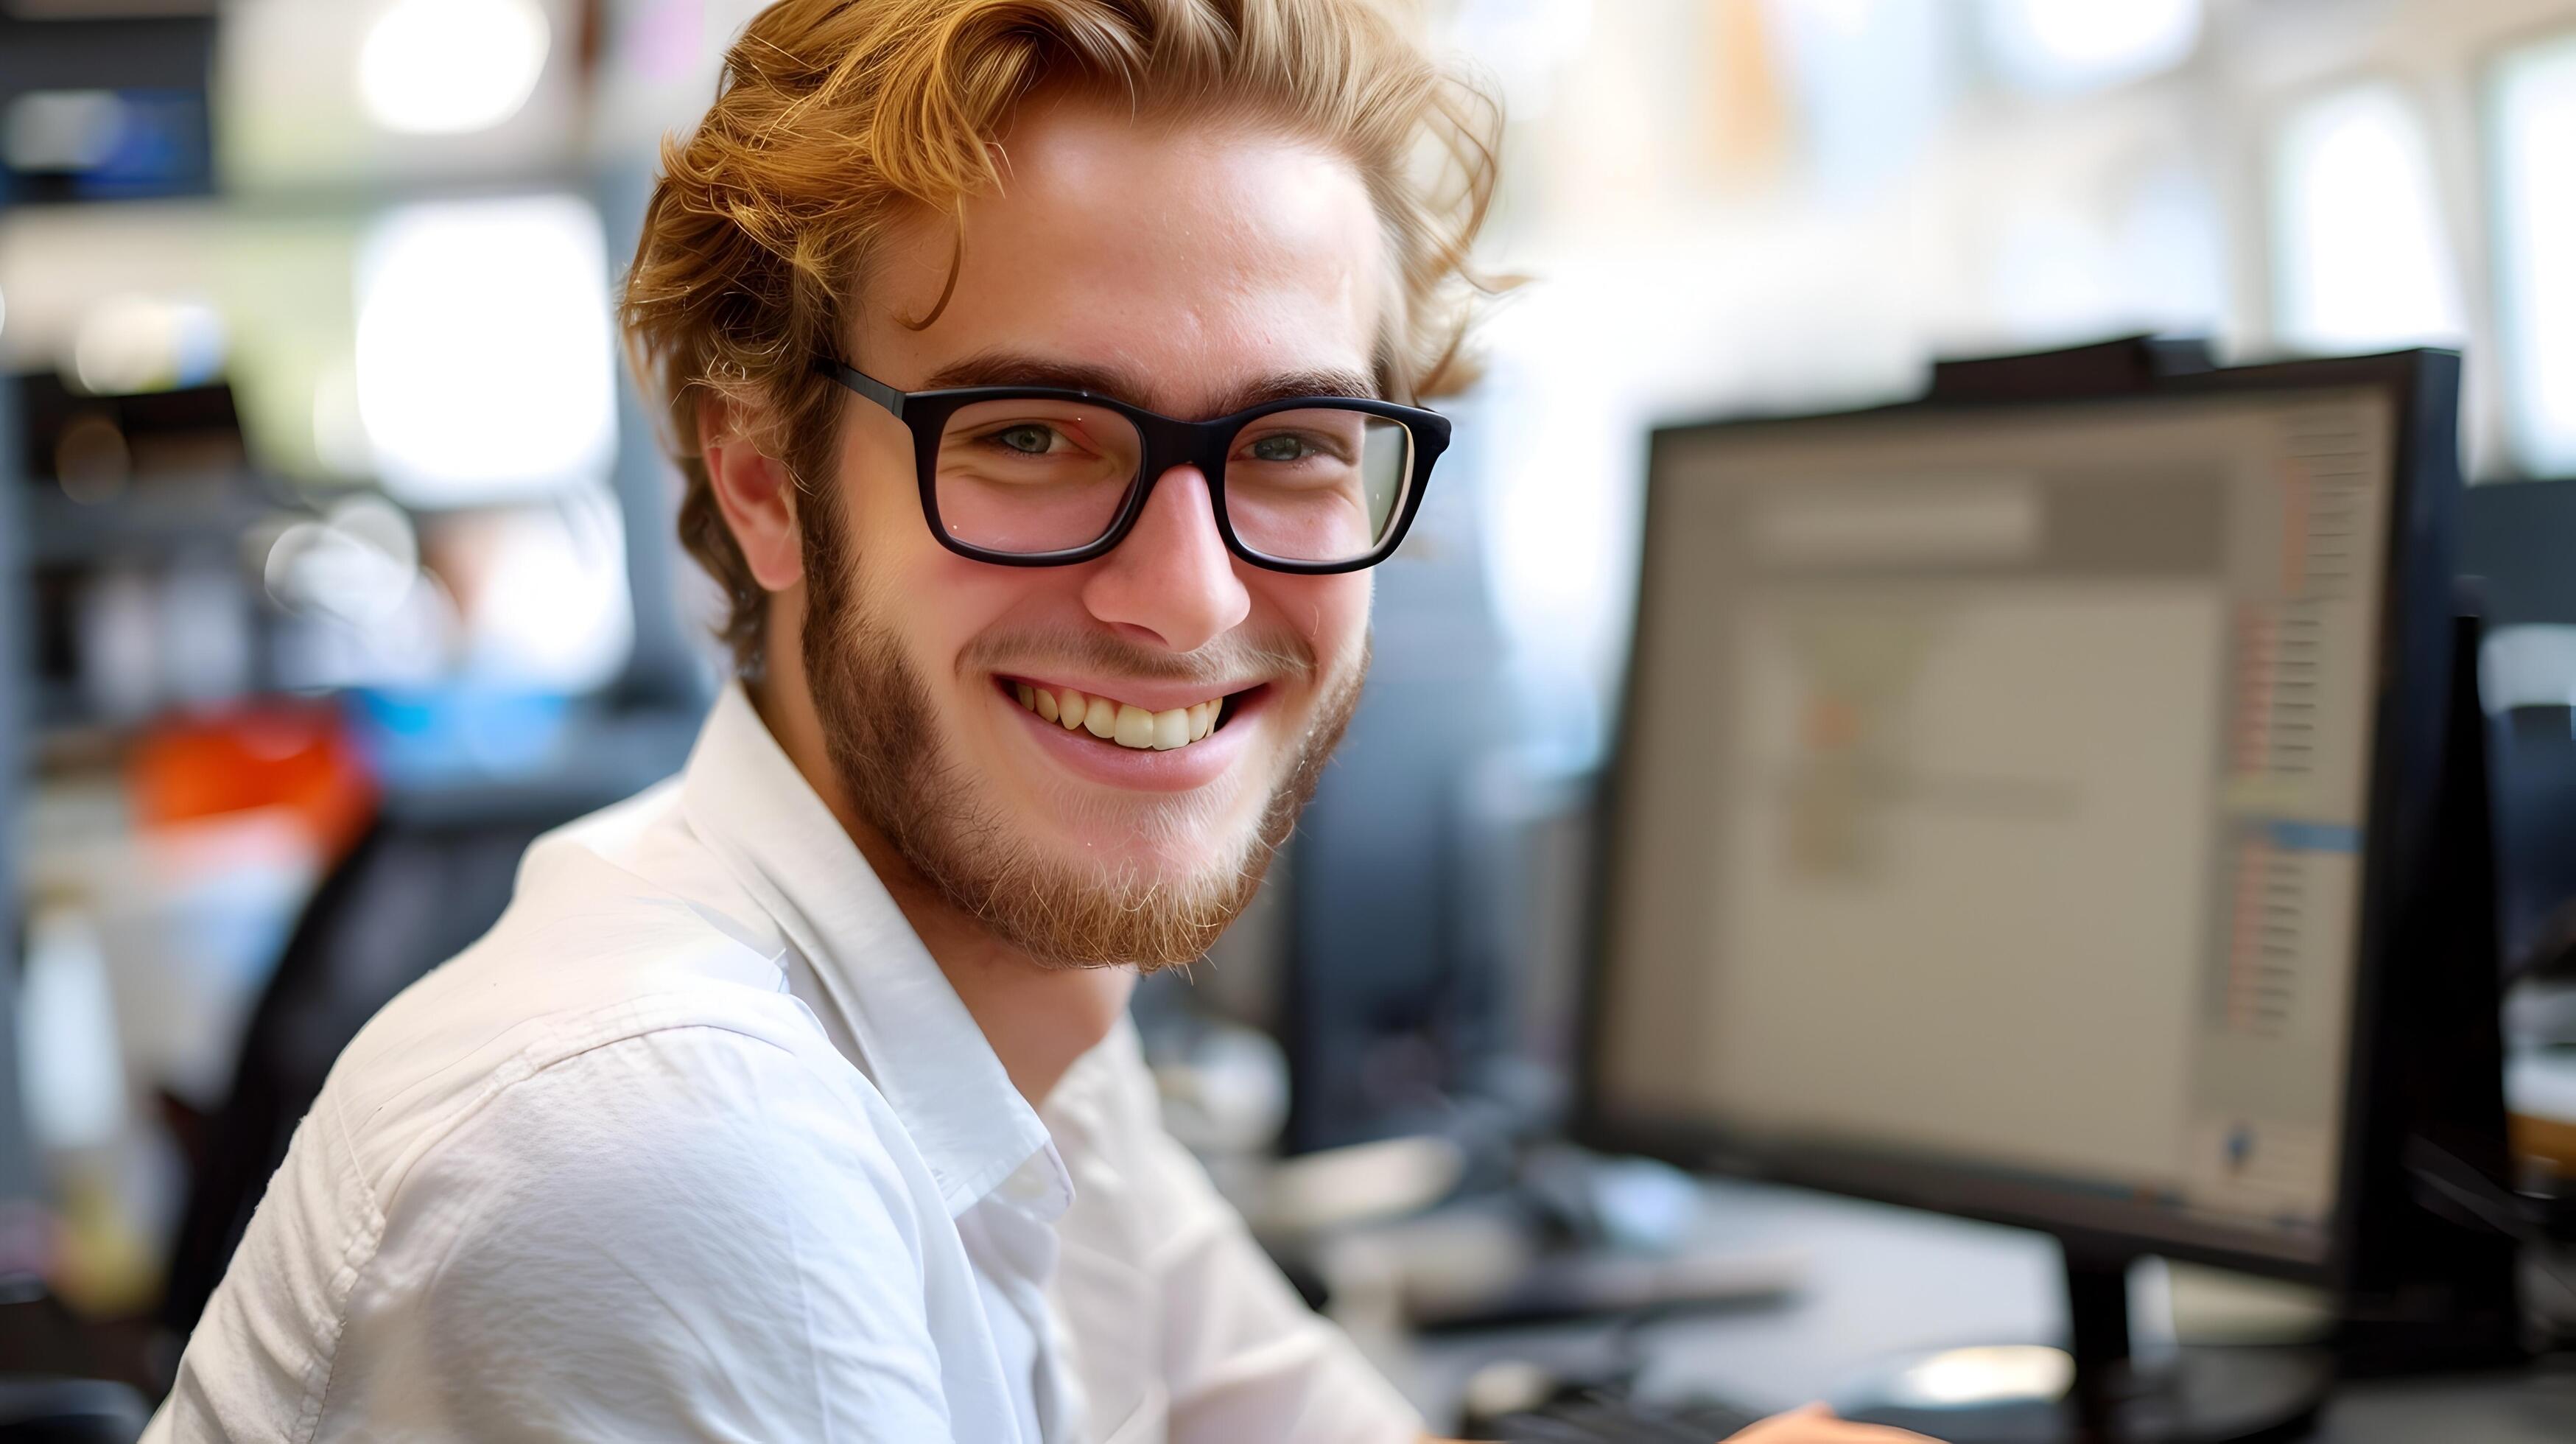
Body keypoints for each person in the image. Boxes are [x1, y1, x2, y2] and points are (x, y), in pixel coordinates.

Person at [147, 2, 1940, 1440]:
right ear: (766, 482)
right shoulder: (670, 1147)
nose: (1193, 595)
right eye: (1029, 433)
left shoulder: (1014, 1034)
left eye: (1294, 443)